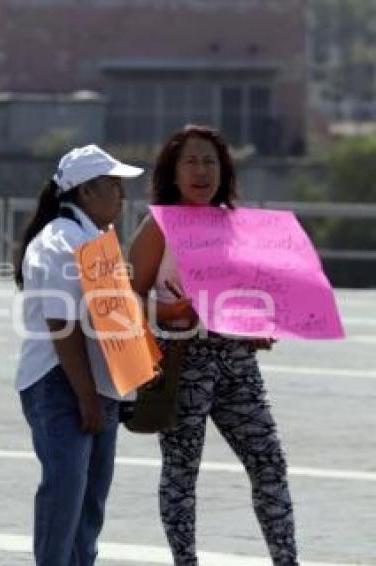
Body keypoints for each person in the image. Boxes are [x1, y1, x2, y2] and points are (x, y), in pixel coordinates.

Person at [128, 124, 298, 565]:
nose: (201, 170)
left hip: (238, 362)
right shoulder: (159, 224)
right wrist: (165, 314)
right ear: (174, 171)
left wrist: (260, 324)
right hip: (183, 360)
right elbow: (123, 299)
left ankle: (287, 560)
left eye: (210, 161)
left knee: (269, 464)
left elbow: (248, 292)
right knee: (182, 473)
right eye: (191, 161)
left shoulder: (237, 223)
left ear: (223, 171)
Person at [14, 144, 143, 565]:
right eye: (114, 186)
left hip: (96, 383)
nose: (122, 196)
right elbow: (62, 328)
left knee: (90, 500)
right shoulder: (58, 242)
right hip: (60, 381)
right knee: (66, 489)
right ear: (86, 191)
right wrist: (87, 398)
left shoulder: (96, 238)